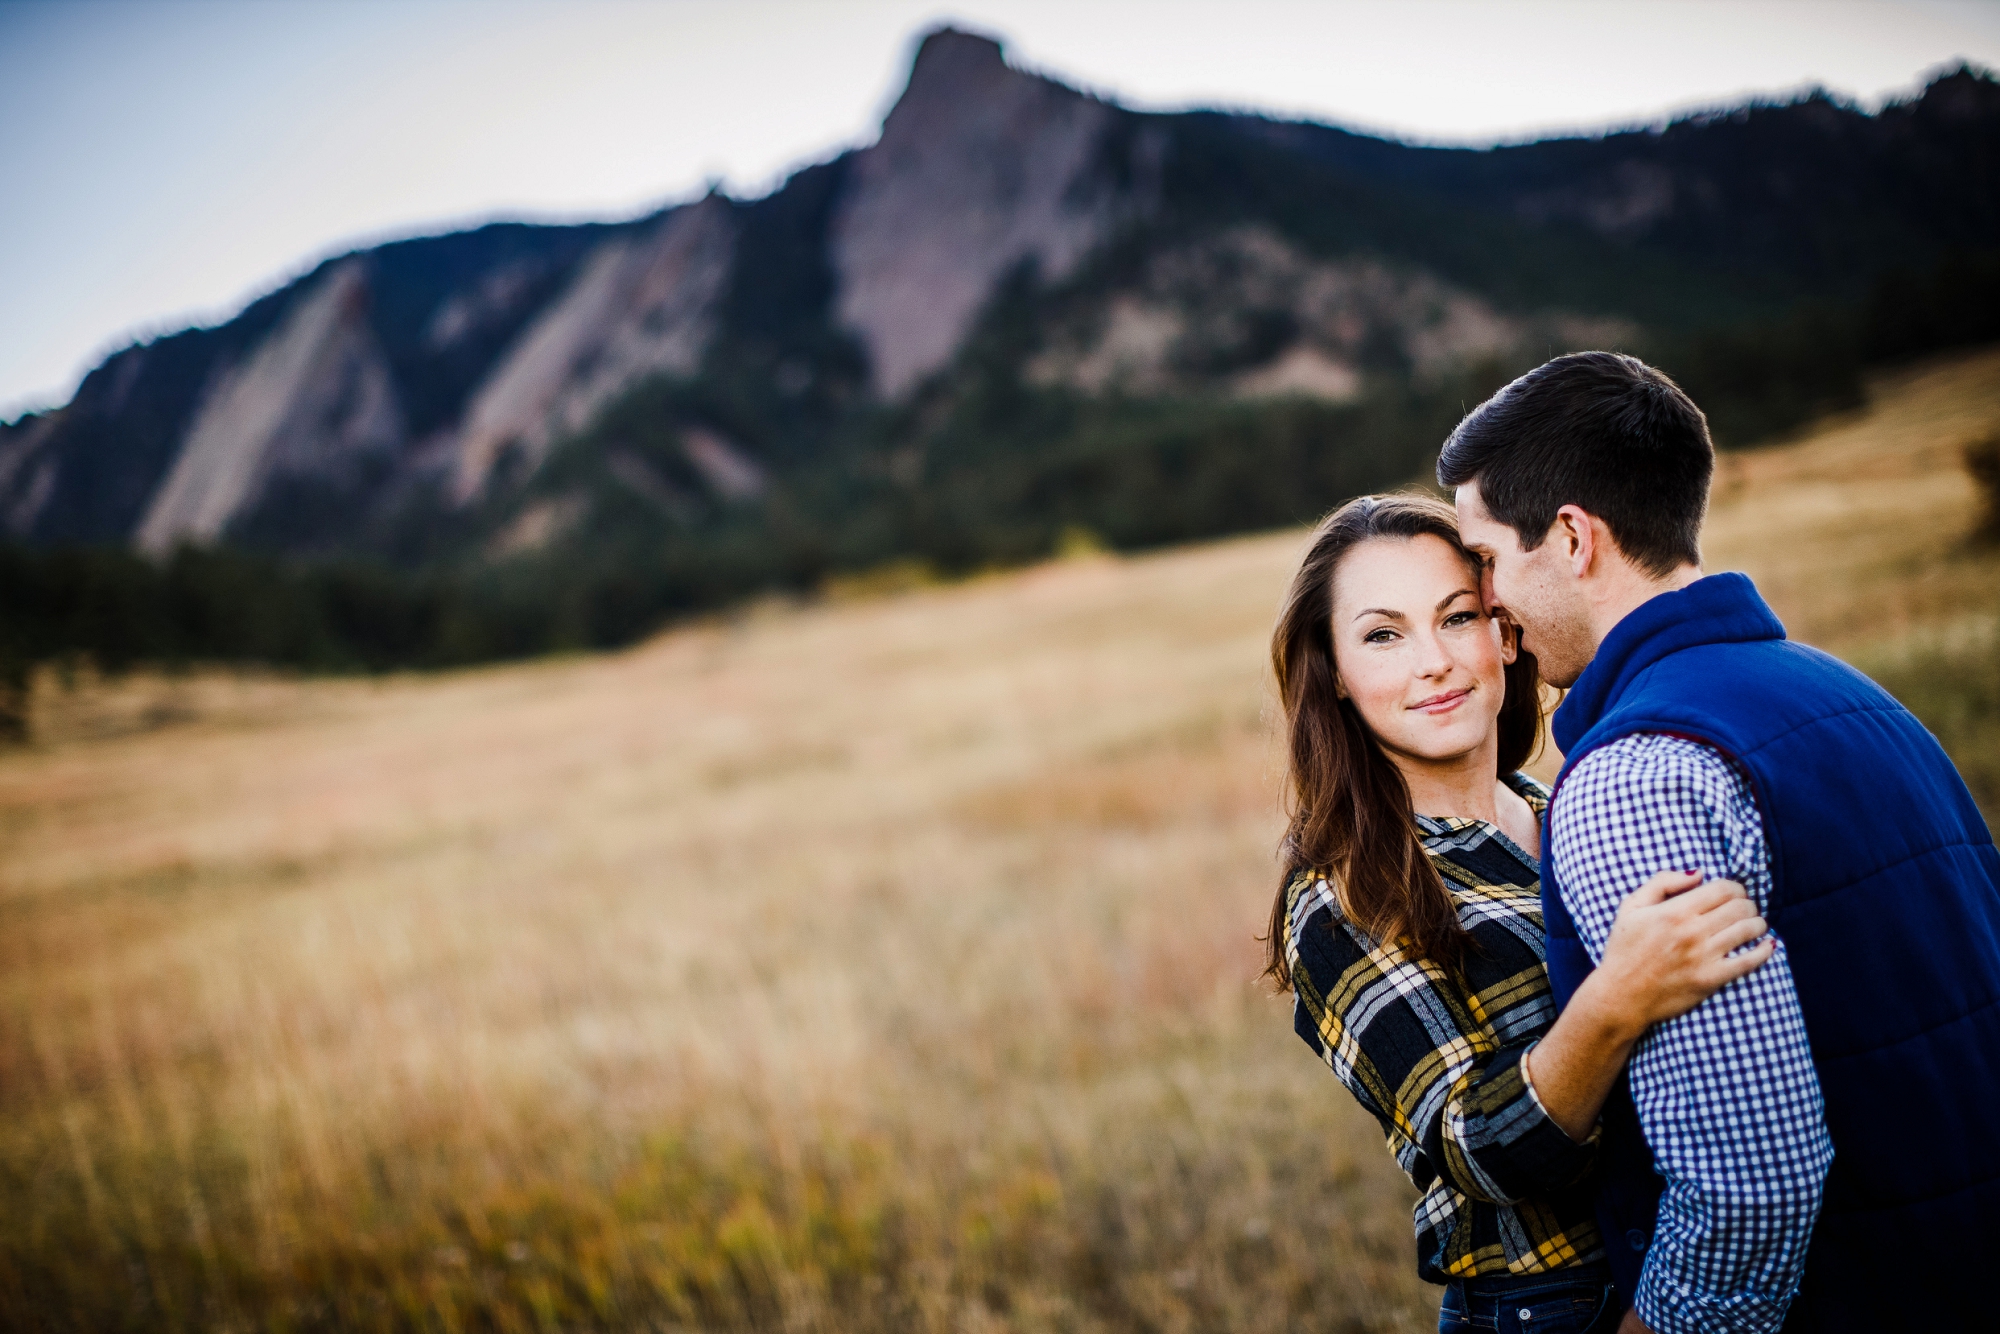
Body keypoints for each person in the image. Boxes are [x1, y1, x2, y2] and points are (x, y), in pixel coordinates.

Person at [1441, 351, 2000, 1333]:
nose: (1484, 606)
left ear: (1571, 537)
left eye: (1485, 559)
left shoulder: (1633, 774)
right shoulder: (1848, 692)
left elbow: (1748, 1174)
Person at [1265, 493, 1775, 1334]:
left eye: (1458, 617)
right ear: (1337, 678)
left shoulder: (1573, 803)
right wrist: (1615, 1000)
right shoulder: (1344, 889)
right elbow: (1484, 1149)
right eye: (1383, 635)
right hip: (1557, 1305)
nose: (1433, 661)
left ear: (1506, 631)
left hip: (1696, 1258)